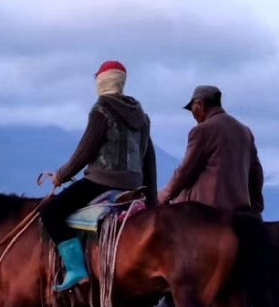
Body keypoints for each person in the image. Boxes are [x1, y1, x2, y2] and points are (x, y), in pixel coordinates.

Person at [40, 60, 159, 291]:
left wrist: (61, 176)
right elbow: (148, 160)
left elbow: (85, 151)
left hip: (101, 182)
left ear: (101, 82)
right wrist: (152, 203)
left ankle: (76, 269)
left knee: (50, 212)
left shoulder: (101, 109)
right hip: (134, 184)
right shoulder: (142, 117)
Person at [158, 85, 264, 215]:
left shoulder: (203, 130)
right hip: (240, 211)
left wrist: (165, 195)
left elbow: (186, 170)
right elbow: (256, 174)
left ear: (199, 104)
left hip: (207, 211)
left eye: (192, 109)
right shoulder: (245, 132)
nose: (193, 115)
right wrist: (256, 207)